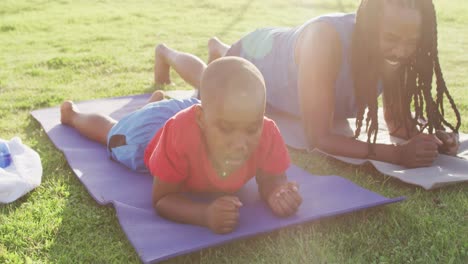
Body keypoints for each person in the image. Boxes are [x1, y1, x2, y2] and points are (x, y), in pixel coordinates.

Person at [153, 0, 462, 168]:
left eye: (411, 41)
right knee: (211, 78)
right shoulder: (326, 41)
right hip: (259, 59)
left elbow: (396, 122)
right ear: (369, 28)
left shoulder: (400, 55)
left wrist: (430, 140)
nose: (401, 50)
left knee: (221, 60)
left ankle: (219, 48)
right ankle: (167, 52)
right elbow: (319, 137)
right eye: (392, 38)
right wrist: (396, 155)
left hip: (283, 52)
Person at [60, 57, 302, 234]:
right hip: (148, 134)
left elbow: (272, 178)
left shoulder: (266, 130)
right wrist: (204, 215)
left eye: (251, 129)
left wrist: (277, 193)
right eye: (227, 129)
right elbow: (162, 199)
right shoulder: (180, 135)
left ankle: (154, 104)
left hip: (190, 111)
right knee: (113, 135)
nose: (240, 143)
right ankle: (72, 115)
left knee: (169, 114)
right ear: (201, 119)